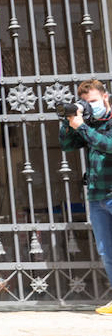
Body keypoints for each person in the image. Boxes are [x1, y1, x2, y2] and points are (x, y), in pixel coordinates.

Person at [58, 79, 112, 315]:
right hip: (96, 196)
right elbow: (67, 145)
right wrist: (70, 121)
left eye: (93, 102)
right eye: (86, 103)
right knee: (106, 250)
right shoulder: (88, 123)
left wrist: (82, 127)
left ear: (105, 97)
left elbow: (108, 145)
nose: (90, 106)